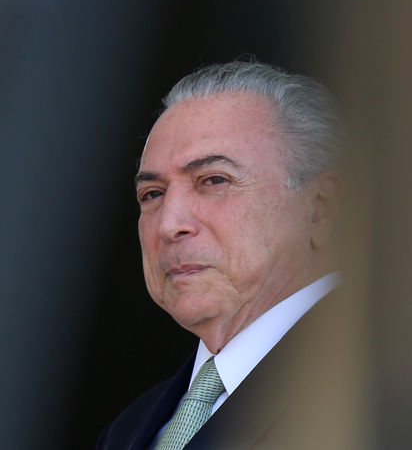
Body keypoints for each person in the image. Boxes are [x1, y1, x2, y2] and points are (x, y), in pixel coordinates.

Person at [96, 61, 358, 449]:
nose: (169, 224)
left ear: (319, 208)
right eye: (152, 194)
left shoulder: (379, 396)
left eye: (214, 180)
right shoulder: (129, 429)